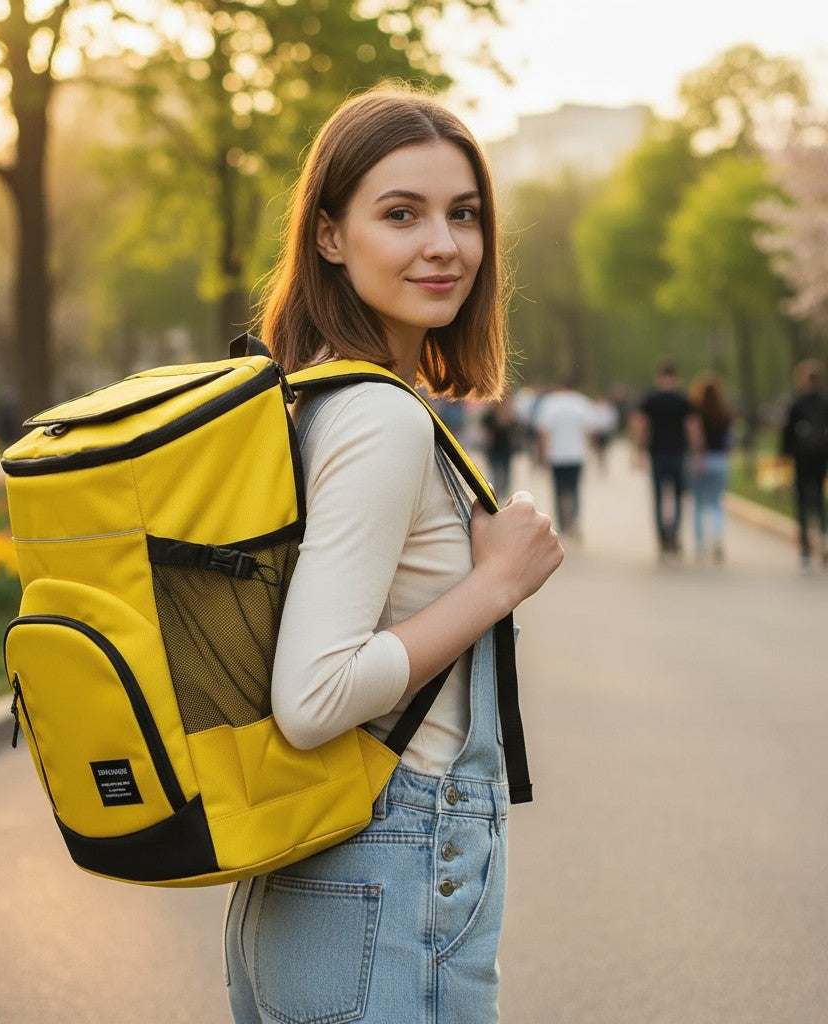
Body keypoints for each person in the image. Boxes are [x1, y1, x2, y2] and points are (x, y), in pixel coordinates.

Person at [222, 85, 563, 1024]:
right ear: (330, 236)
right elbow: (314, 694)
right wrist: (498, 581)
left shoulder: (317, 397)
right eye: (400, 214)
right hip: (387, 861)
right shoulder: (377, 416)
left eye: (464, 215)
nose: (443, 245)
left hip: (320, 881)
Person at [632, 362, 697, 561]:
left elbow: (639, 425)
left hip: (657, 453)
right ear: (676, 377)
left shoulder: (651, 399)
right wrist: (696, 452)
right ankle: (674, 537)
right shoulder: (683, 399)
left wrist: (639, 451)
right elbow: (692, 426)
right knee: (677, 498)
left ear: (659, 377)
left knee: (659, 498)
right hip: (678, 453)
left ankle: (662, 540)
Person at [533, 377, 600, 540]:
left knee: (559, 489)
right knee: (574, 488)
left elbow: (543, 432)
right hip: (576, 454)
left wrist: (541, 455)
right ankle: (574, 521)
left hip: (556, 455)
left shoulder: (550, 403)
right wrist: (591, 451)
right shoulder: (582, 403)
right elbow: (590, 430)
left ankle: (563, 524)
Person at [780, 359, 828, 572]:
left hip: (801, 458)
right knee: (818, 498)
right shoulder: (825, 402)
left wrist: (783, 456)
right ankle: (824, 537)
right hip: (820, 456)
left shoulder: (797, 404)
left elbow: (787, 435)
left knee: (801, 502)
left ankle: (806, 549)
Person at [688, 374, 733, 563]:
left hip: (701, 459)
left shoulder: (695, 412)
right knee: (716, 503)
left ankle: (699, 545)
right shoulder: (724, 413)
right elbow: (729, 440)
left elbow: (694, 437)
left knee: (698, 504)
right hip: (720, 459)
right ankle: (717, 540)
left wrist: (697, 456)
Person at [481, 394, 517, 502]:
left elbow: (514, 433)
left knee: (506, 473)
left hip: (506, 449)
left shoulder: (511, 417)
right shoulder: (490, 416)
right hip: (493, 449)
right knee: (495, 472)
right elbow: (486, 435)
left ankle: (504, 497)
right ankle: (496, 496)